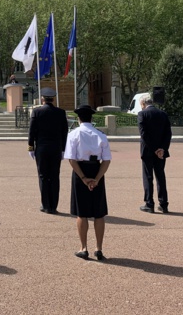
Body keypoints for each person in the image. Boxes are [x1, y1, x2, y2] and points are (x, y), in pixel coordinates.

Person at [64, 105, 111, 260]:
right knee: (99, 213)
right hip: (97, 170)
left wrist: (84, 178)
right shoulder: (101, 135)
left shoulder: (74, 134)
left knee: (81, 213)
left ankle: (83, 248)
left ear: (78, 118)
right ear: (92, 118)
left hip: (80, 171)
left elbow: (71, 159)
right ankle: (99, 249)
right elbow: (106, 160)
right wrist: (96, 179)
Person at [27, 87, 69, 214]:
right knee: (55, 176)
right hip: (56, 148)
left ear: (42, 99)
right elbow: (64, 132)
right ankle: (54, 205)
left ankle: (46, 205)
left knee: (43, 176)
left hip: (41, 148)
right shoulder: (61, 112)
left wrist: (31, 147)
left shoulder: (37, 112)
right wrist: (63, 149)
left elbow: (31, 131)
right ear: (53, 99)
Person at [137, 93, 172, 213]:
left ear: (143, 103)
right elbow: (168, 133)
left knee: (148, 176)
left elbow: (144, 134)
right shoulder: (163, 114)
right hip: (161, 152)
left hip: (148, 151)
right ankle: (164, 204)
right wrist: (162, 148)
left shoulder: (142, 114)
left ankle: (149, 203)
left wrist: (154, 149)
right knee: (160, 176)